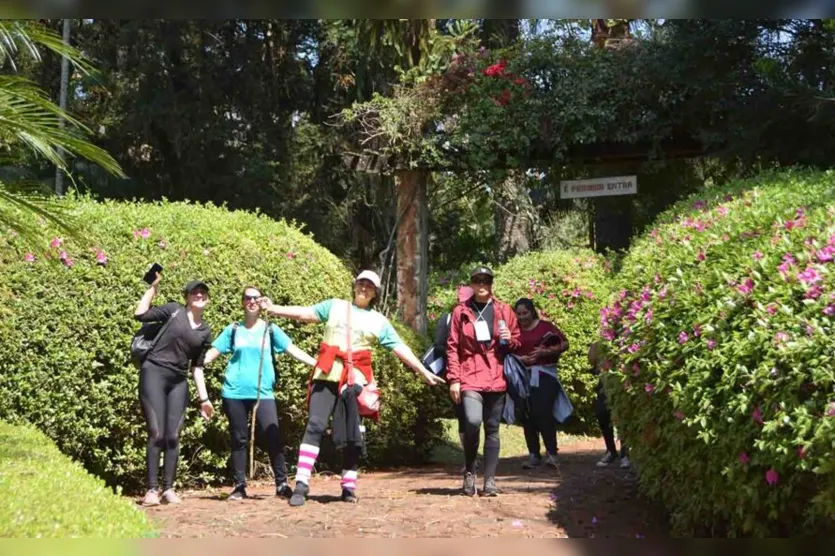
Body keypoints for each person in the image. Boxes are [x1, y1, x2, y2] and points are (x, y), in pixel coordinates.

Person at [260, 270, 445, 506]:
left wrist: (423, 371)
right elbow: (306, 313)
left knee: (351, 432)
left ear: (375, 293)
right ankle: (301, 484)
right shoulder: (335, 306)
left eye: (369, 286)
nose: (364, 288)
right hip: (326, 374)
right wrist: (274, 308)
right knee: (315, 425)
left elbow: (400, 347)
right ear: (355, 285)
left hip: (354, 381)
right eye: (361, 283)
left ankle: (348, 486)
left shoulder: (378, 321)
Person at [201, 285, 318, 501]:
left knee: (272, 436)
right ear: (242, 302)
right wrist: (195, 361)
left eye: (256, 298)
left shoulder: (271, 330)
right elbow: (211, 354)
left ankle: (282, 484)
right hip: (234, 392)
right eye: (247, 298)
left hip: (263, 392)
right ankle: (239, 485)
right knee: (239, 438)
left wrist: (317, 364)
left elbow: (293, 350)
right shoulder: (233, 329)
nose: (252, 301)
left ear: (262, 301)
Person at [135, 274, 213, 506]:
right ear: (187, 298)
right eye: (194, 292)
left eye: (203, 292)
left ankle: (168, 489)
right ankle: (151, 490)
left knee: (173, 435)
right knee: (156, 433)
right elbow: (140, 314)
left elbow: (196, 368)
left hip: (178, 381)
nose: (199, 295)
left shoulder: (205, 330)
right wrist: (153, 288)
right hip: (154, 373)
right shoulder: (173, 310)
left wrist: (204, 399)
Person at [447, 266, 520, 497]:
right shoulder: (461, 311)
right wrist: (454, 380)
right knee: (472, 420)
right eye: (477, 280)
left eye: (486, 281)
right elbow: (452, 347)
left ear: (491, 284)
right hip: (469, 374)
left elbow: (518, 342)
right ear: (471, 283)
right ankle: (469, 470)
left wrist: (511, 340)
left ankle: (489, 481)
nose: (481, 285)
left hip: (496, 375)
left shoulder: (503, 310)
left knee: (492, 429)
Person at [514, 298, 569, 470]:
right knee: (527, 413)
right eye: (519, 314)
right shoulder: (514, 330)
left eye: (526, 313)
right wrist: (520, 359)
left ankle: (552, 453)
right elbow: (506, 351)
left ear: (532, 312)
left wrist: (545, 351)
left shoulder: (545, 327)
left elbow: (564, 343)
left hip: (545, 373)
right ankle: (533, 454)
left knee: (543, 411)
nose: (523, 317)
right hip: (524, 375)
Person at [428, 285, 474, 453]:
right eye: (461, 301)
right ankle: (469, 457)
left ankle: (476, 455)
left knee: (476, 417)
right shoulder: (447, 319)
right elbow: (439, 346)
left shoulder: (482, 318)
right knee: (463, 415)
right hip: (456, 374)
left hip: (479, 374)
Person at [588, 342, 630, 468]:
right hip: (604, 384)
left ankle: (625, 454)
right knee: (602, 414)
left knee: (621, 418)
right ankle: (611, 451)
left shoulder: (621, 341)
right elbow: (592, 359)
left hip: (619, 382)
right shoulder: (601, 343)